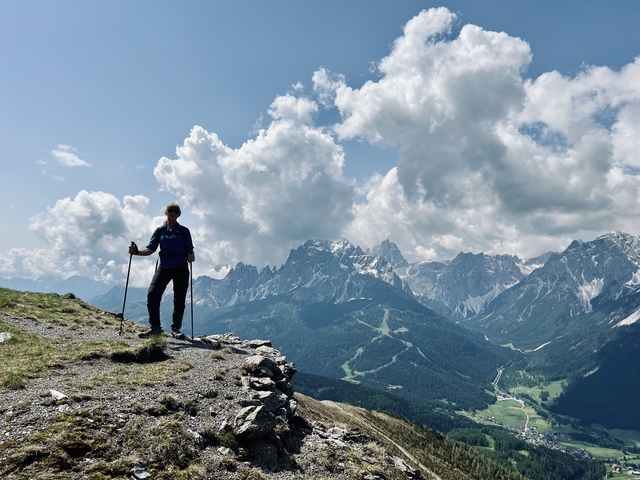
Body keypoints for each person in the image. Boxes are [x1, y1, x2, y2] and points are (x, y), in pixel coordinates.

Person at [129, 202, 195, 339]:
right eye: (170, 210)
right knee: (153, 294)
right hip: (164, 266)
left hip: (181, 266)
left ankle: (175, 329)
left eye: (175, 211)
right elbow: (150, 249)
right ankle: (155, 327)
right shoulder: (160, 231)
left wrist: (191, 256)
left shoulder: (184, 231)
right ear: (166, 212)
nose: (173, 213)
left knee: (179, 300)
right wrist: (136, 252)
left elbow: (190, 249)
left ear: (179, 215)